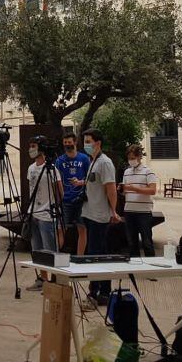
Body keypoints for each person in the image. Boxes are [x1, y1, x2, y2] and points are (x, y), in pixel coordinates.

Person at [75, 128, 120, 310]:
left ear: (98, 143)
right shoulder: (93, 162)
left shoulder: (105, 163)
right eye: (85, 141)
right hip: (90, 213)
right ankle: (104, 292)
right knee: (100, 254)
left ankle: (94, 294)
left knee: (95, 255)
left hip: (100, 216)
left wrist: (114, 211)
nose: (86, 145)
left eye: (88, 141)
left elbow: (111, 189)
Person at [25, 138, 63, 292]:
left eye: (33, 146)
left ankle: (56, 280)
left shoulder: (52, 169)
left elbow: (60, 191)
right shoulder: (31, 168)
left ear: (41, 148)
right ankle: (42, 279)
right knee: (37, 250)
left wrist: (55, 207)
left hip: (47, 216)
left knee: (50, 250)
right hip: (33, 214)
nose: (31, 149)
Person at [119, 144, 159, 257]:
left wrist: (134, 188)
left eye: (132, 158)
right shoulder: (127, 172)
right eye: (129, 158)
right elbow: (125, 192)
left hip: (144, 213)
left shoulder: (148, 171)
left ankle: (150, 268)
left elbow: (152, 190)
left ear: (139, 157)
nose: (130, 161)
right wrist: (122, 189)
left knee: (147, 242)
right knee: (131, 243)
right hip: (129, 211)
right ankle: (135, 268)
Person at [56, 132, 91, 255]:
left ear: (75, 142)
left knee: (82, 229)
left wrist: (81, 182)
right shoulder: (59, 161)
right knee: (61, 229)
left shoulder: (84, 159)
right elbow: (56, 180)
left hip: (81, 200)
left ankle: (79, 258)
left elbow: (91, 178)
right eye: (65, 143)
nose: (67, 145)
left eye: (69, 142)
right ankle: (58, 256)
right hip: (65, 200)